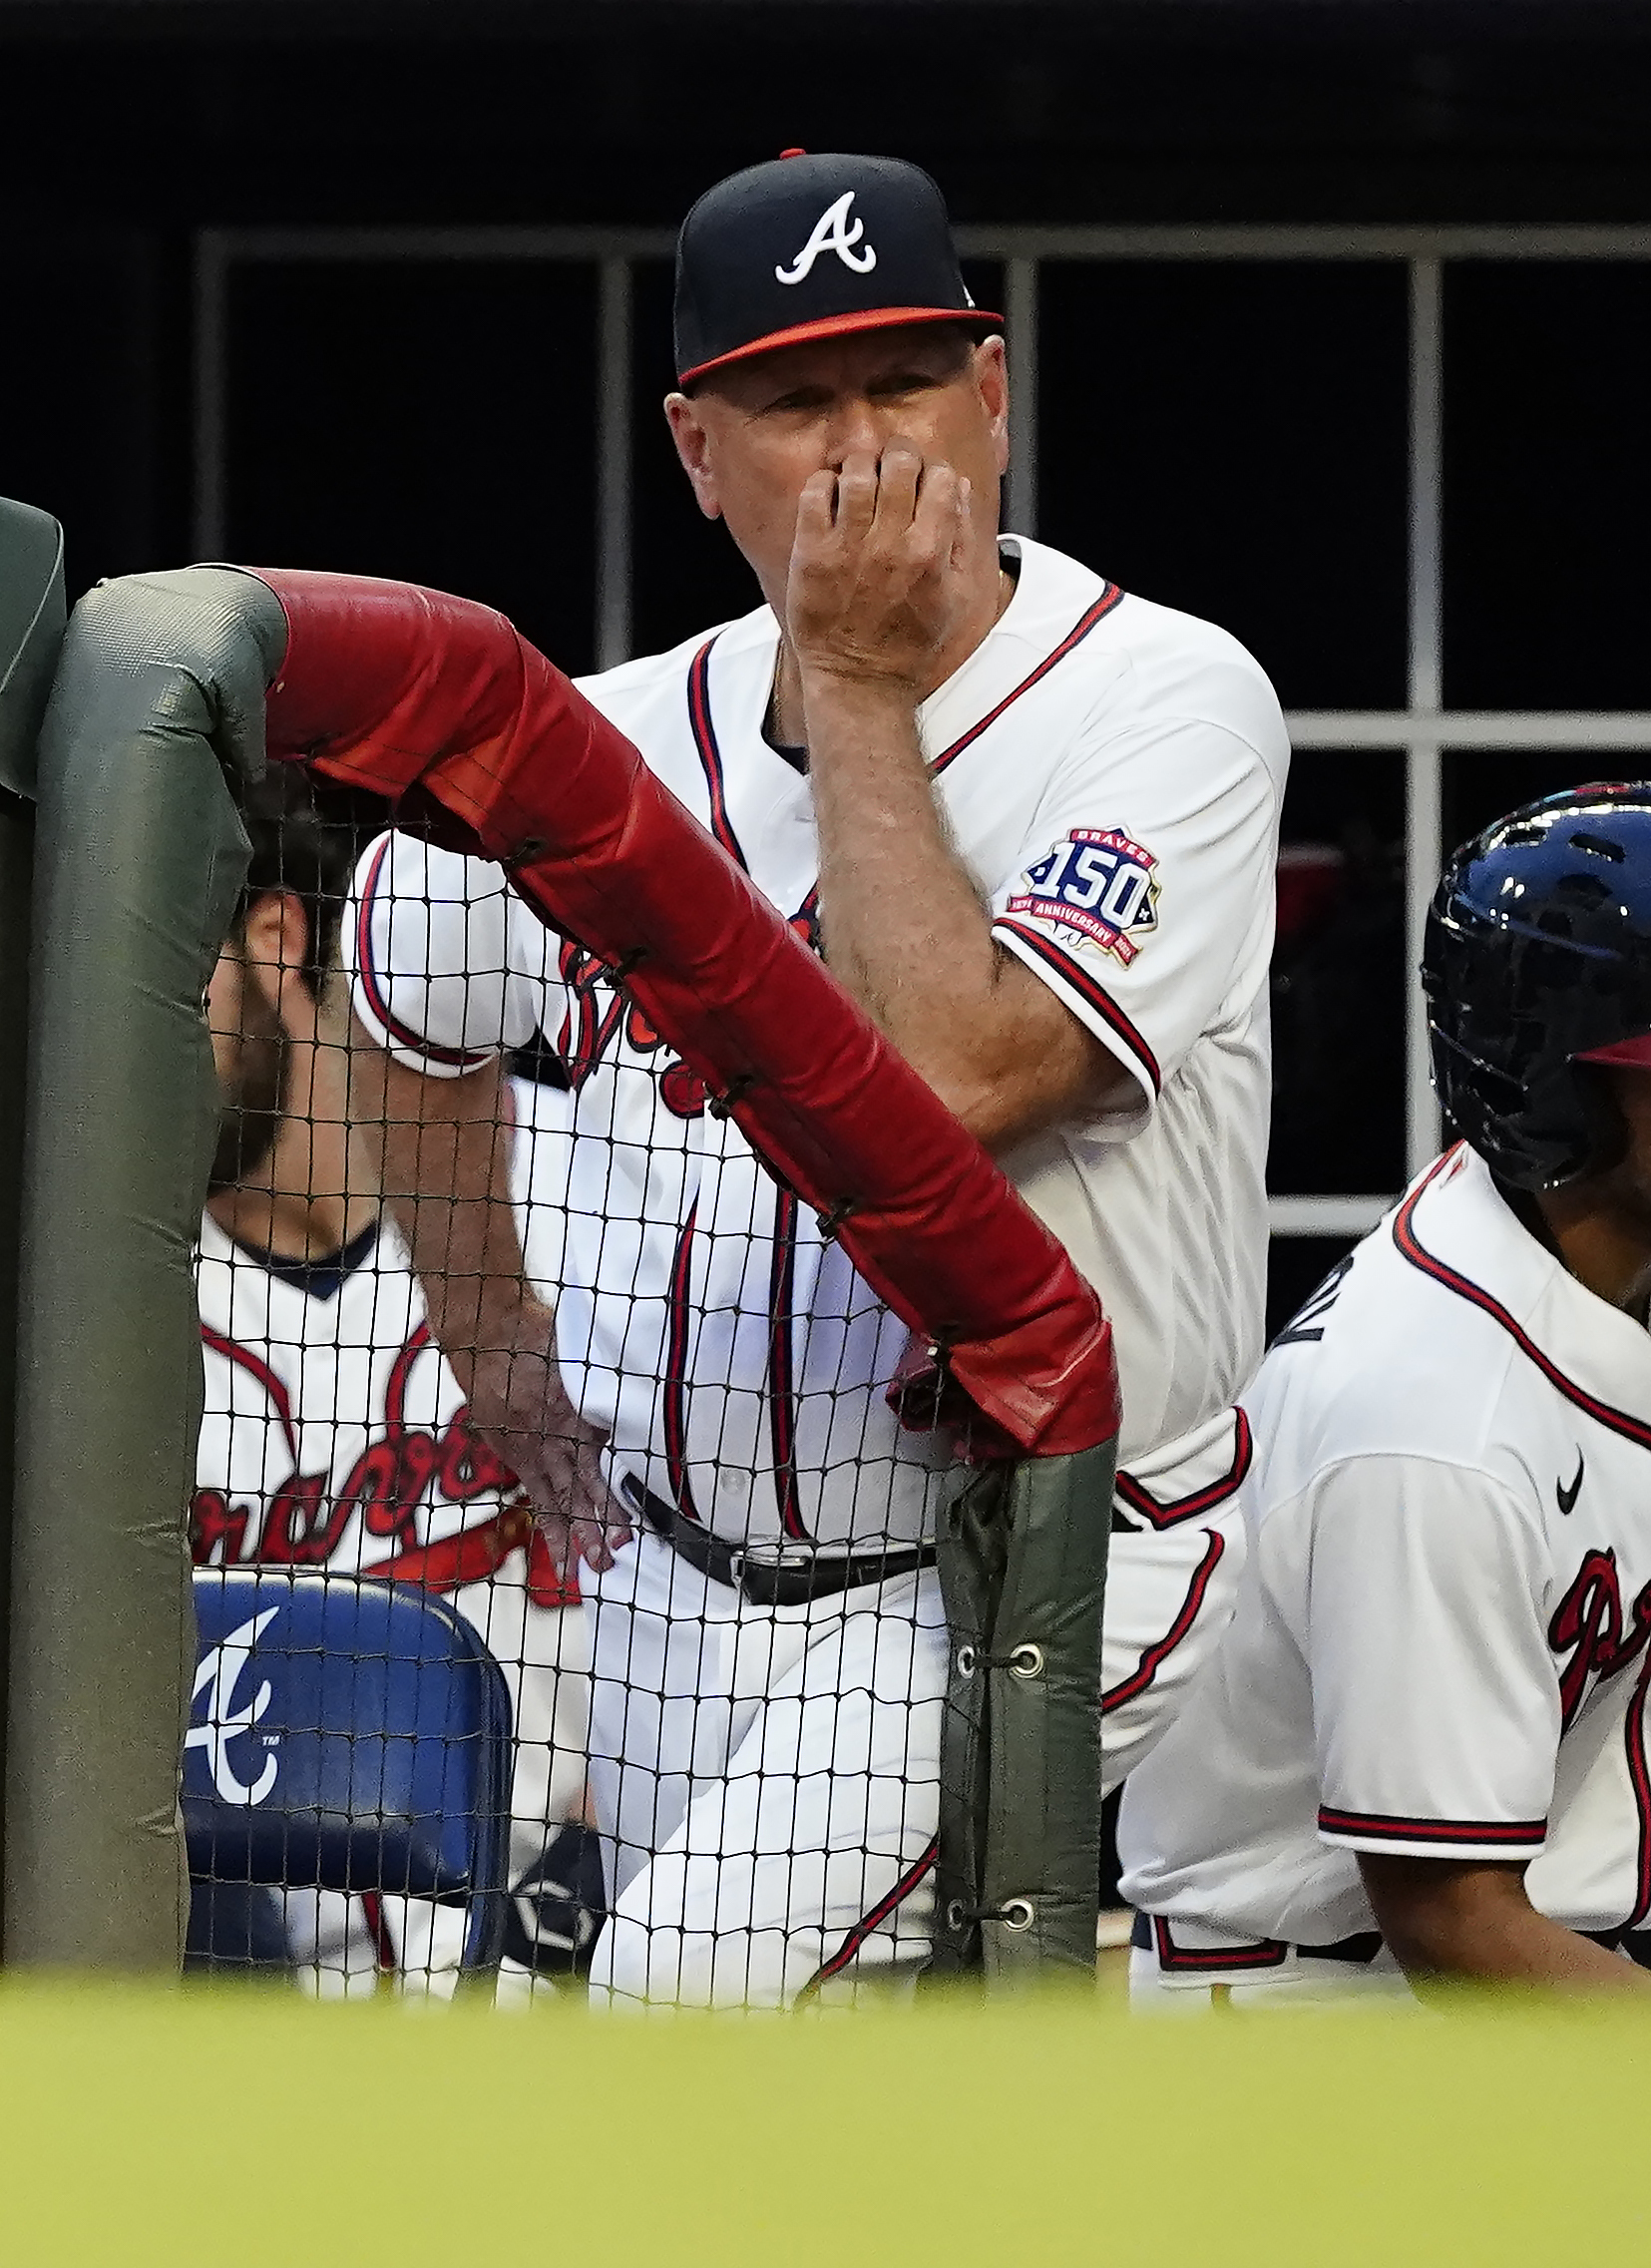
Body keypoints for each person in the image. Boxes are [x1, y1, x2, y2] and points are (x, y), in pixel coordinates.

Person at [347, 149, 1288, 2006]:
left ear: (996, 395)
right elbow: (406, 1006)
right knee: (818, 2121)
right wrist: (503, 1360)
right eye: (797, 403)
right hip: (675, 1568)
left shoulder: (1170, 701)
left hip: (1022, 1566)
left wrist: (851, 684)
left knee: (663, 2015)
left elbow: (941, 1085)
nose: (871, 449)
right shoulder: (605, 738)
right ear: (698, 453)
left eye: (910, 381)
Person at [1119, 784, 1651, 2008]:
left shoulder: (1568, 1260)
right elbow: (1455, 1929)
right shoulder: (1433, 1426)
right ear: (1553, 1085)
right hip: (1332, 2031)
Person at [194, 766, 599, 1992]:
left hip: (605, 1971)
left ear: (276, 936)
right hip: (269, 2046)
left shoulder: (576, 1194)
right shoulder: (101, 1327)